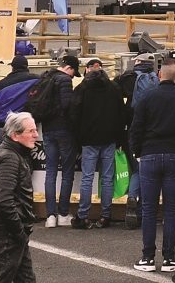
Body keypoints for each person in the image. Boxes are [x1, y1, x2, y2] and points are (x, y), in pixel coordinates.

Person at [129, 57, 175, 272]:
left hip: (149, 154)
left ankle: (147, 257)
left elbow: (136, 127)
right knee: (171, 210)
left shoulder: (147, 97)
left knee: (148, 208)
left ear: (159, 74)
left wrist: (137, 152)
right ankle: (169, 257)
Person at [0, 112, 40, 283]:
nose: (36, 135)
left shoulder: (13, 153)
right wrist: (18, 231)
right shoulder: (9, 157)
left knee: (26, 279)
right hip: (7, 233)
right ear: (15, 135)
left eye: (36, 130)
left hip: (12, 232)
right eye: (31, 131)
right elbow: (3, 200)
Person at [72, 56, 125, 229]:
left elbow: (74, 114)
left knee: (87, 178)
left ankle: (83, 215)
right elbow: (121, 114)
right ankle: (105, 215)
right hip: (109, 138)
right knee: (107, 178)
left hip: (89, 139)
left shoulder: (83, 88)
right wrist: (119, 137)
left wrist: (78, 137)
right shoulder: (114, 88)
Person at [32, 55, 79, 225]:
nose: (73, 76)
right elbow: (67, 105)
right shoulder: (65, 80)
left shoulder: (45, 77)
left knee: (50, 172)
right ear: (69, 68)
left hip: (48, 129)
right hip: (64, 130)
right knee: (67, 172)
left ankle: (50, 215)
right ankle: (63, 214)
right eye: (74, 72)